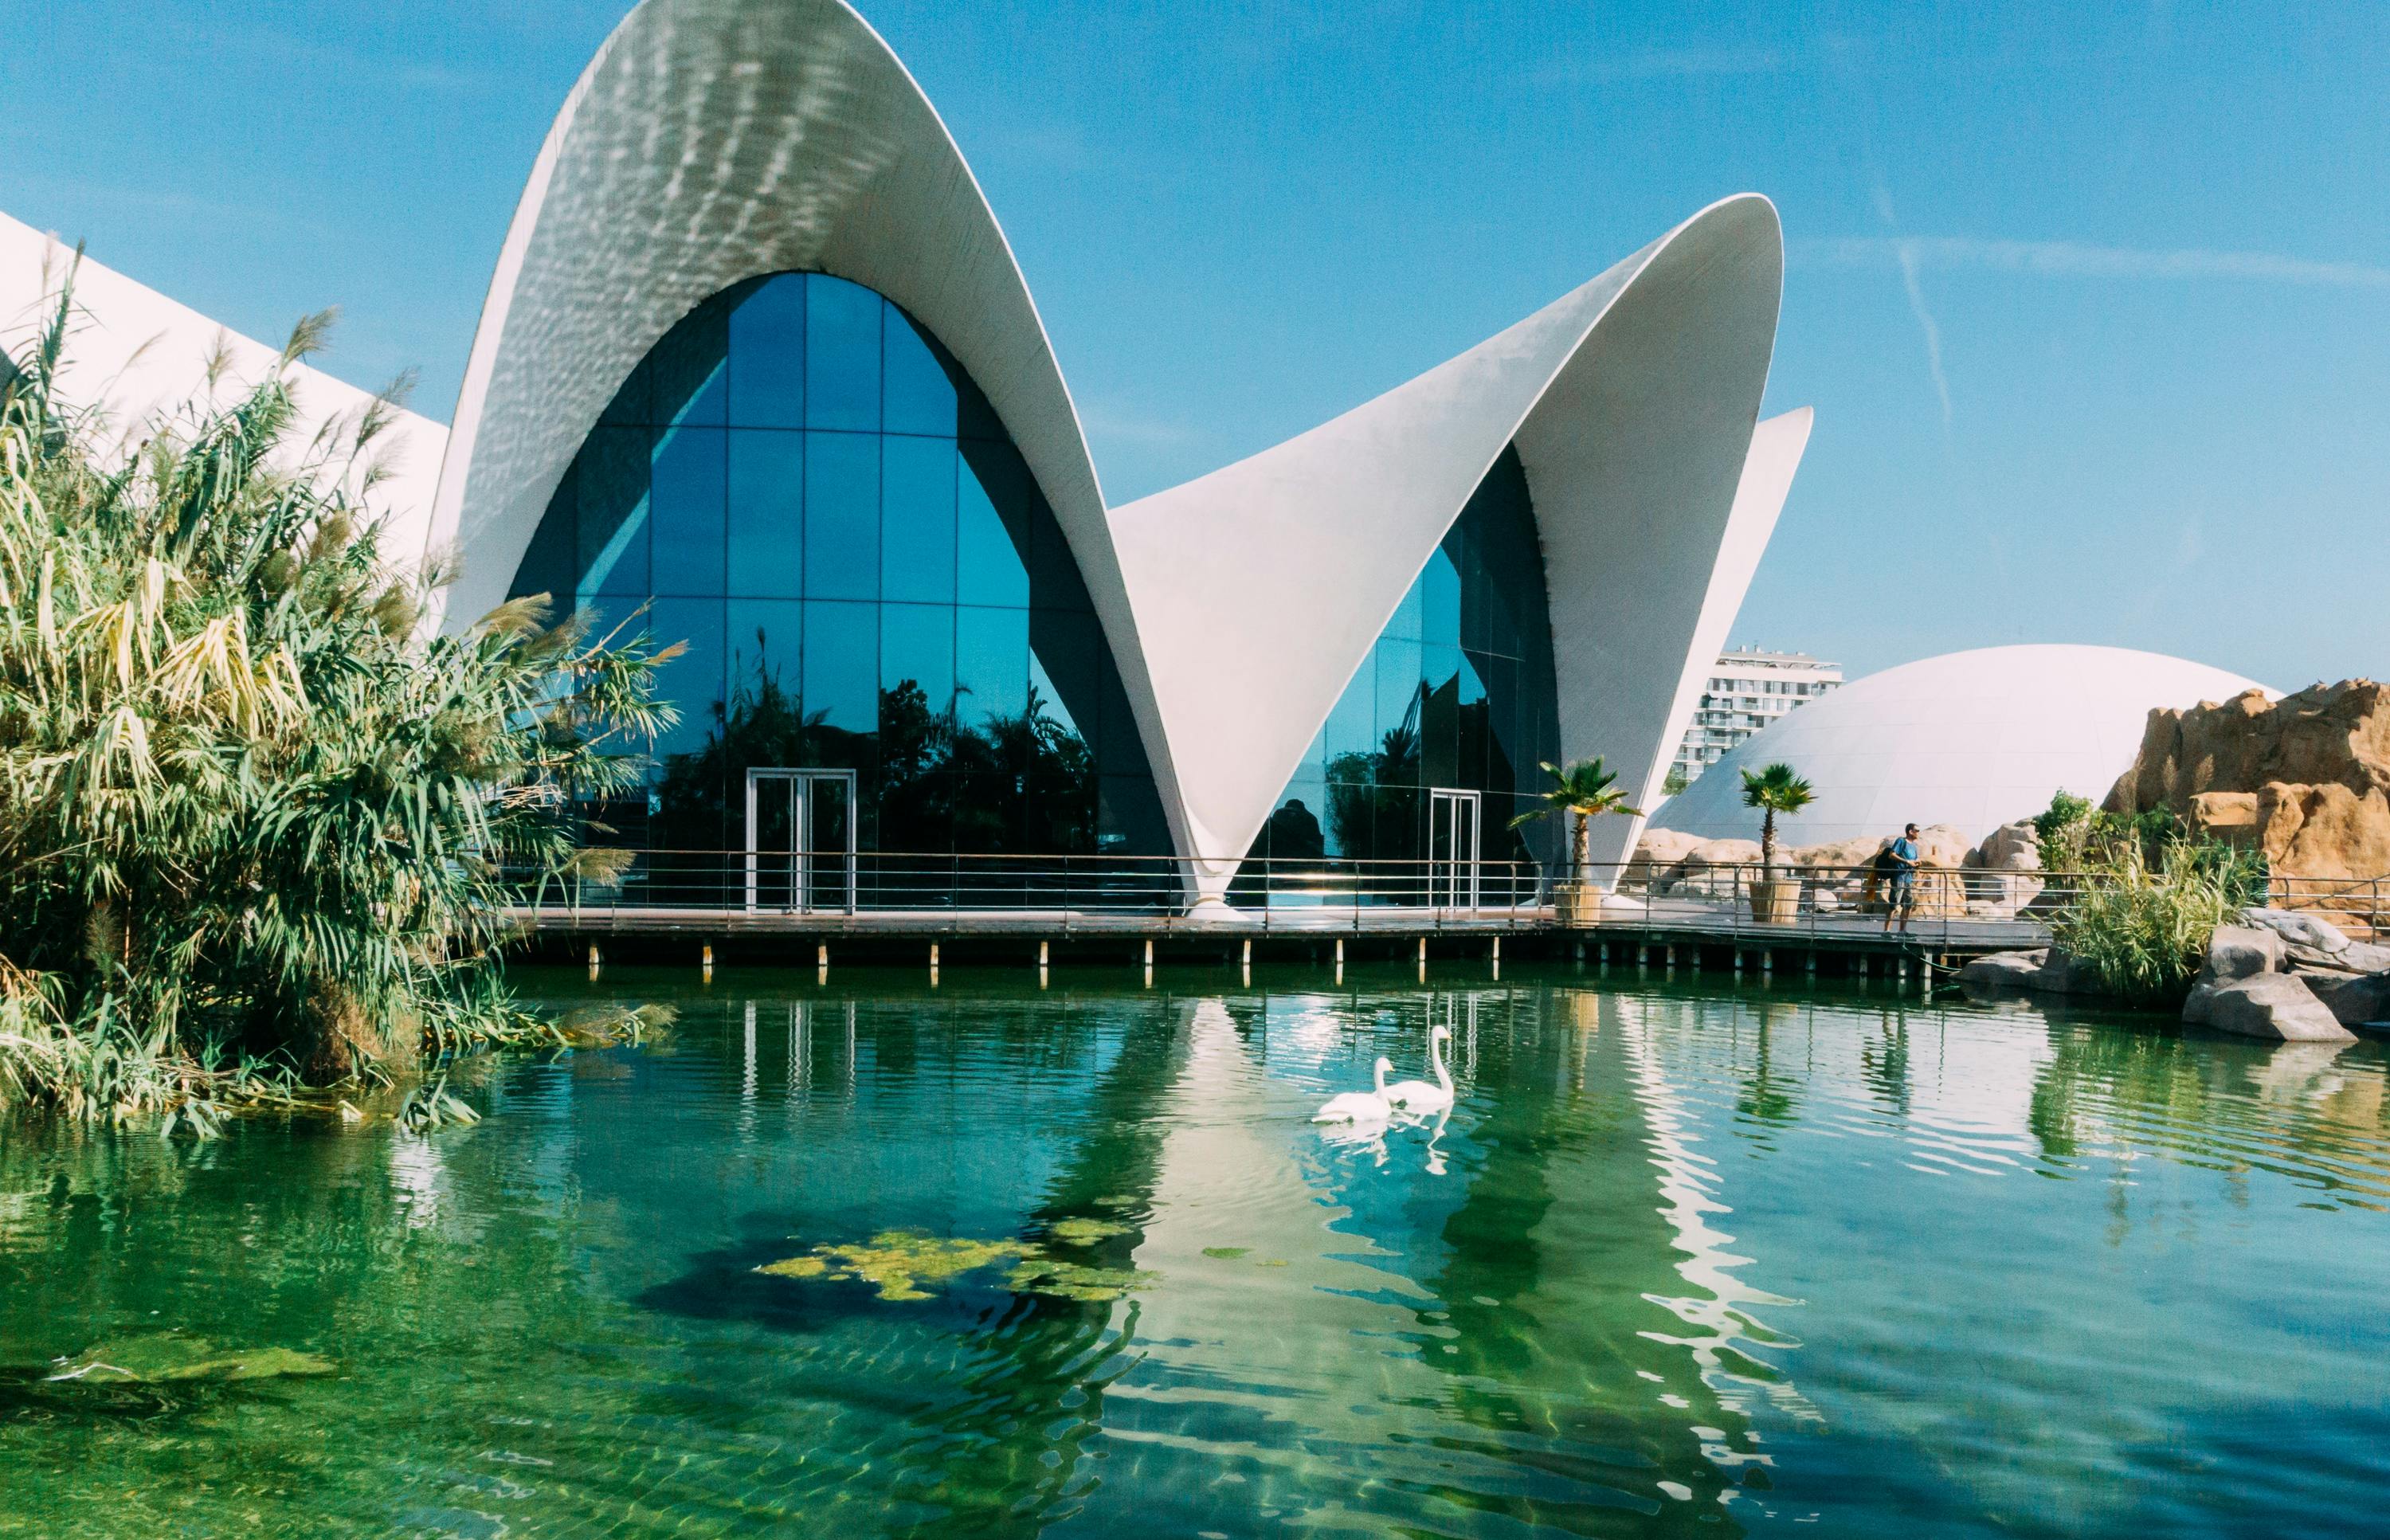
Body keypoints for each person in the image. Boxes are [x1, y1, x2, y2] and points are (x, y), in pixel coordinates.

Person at [1881, 823, 1922, 933]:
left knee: (1908, 904)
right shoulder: (1901, 841)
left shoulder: (1913, 846)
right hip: (1899, 877)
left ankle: (1902, 931)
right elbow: (1892, 855)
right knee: (1894, 904)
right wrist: (1906, 861)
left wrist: (1917, 863)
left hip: (1908, 878)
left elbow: (1914, 859)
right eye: (1917, 830)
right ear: (1910, 831)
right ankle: (1886, 931)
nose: (1918, 833)